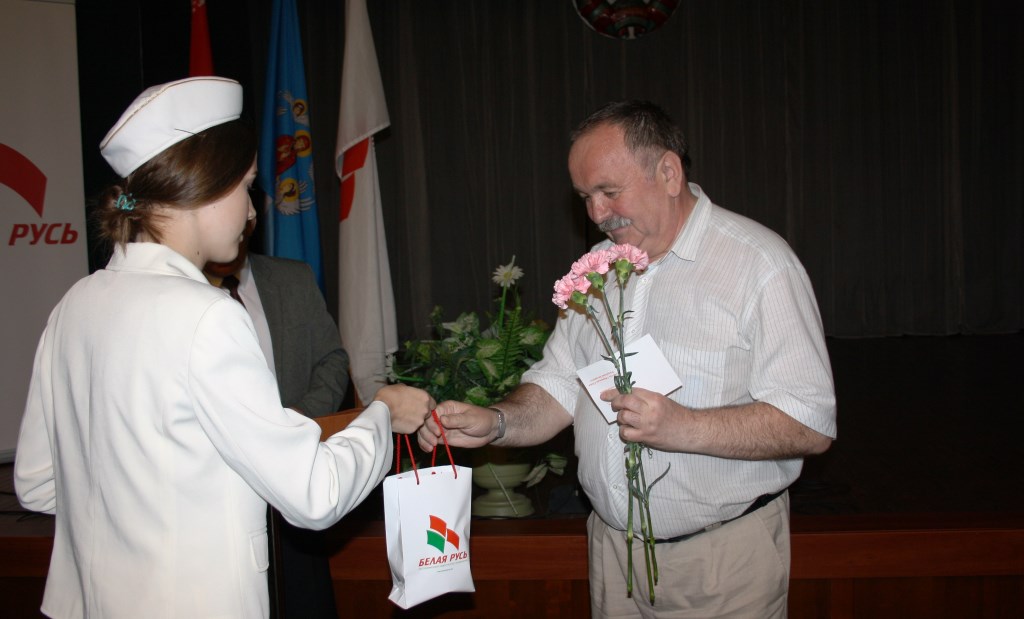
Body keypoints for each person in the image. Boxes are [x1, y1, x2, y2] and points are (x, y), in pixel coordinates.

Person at [14, 76, 432, 619]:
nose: (253, 212)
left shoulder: (73, 305)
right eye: (247, 186)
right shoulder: (206, 315)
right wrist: (382, 414)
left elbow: (38, 485)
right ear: (205, 188)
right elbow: (316, 495)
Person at [419, 100, 837, 618]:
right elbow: (560, 385)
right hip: (612, 556)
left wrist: (685, 427)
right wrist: (497, 422)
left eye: (609, 191)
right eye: (584, 197)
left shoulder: (759, 264)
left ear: (668, 173)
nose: (597, 214)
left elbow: (809, 423)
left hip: (721, 564)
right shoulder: (596, 270)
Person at [204, 223, 348, 618]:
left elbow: (332, 359)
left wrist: (298, 419)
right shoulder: (182, 294)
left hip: (295, 489)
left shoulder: (292, 278)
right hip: (219, 497)